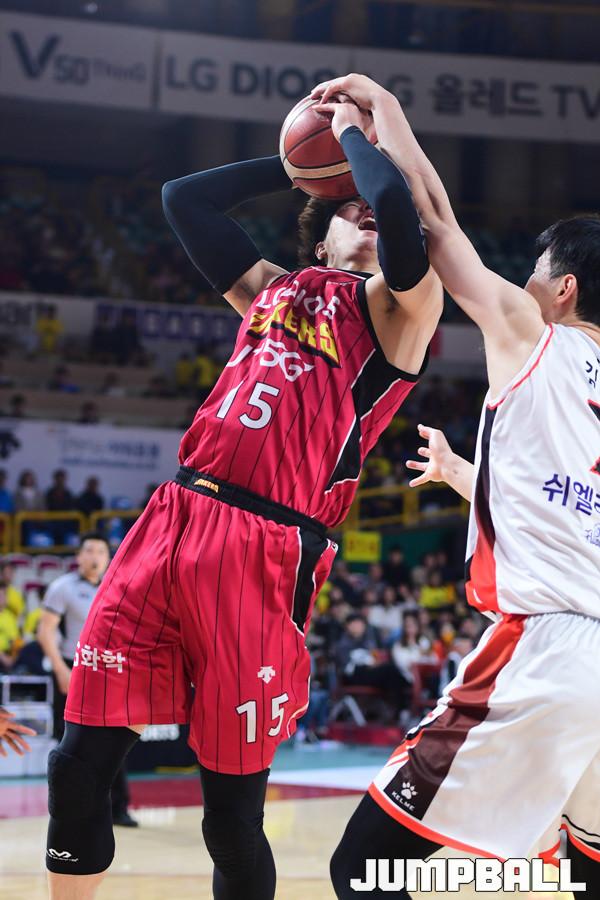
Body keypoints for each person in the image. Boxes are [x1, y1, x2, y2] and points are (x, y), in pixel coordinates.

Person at [45, 96, 443, 900]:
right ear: (319, 235)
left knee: (229, 818)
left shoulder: (400, 311)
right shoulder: (270, 288)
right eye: (349, 210)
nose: (366, 212)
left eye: (370, 207)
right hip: (172, 518)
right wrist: (301, 168)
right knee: (77, 764)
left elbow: (402, 220)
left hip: (266, 545)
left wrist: (352, 140)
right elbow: (183, 198)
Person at [311, 73, 600, 900]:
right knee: (584, 870)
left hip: (543, 654)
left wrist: (378, 118)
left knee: (364, 870)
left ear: (564, 289)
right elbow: (570, 506)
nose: (525, 283)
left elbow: (435, 226)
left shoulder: (533, 335)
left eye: (536, 271)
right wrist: (469, 477)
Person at [38, 533, 137, 828]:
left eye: (100, 552)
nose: (94, 556)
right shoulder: (62, 587)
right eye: (89, 550)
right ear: (79, 556)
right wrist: (61, 670)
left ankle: (117, 807)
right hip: (72, 666)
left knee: (114, 739)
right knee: (69, 743)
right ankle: (68, 810)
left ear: (109, 558)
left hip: (107, 669)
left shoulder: (118, 586)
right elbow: (45, 632)